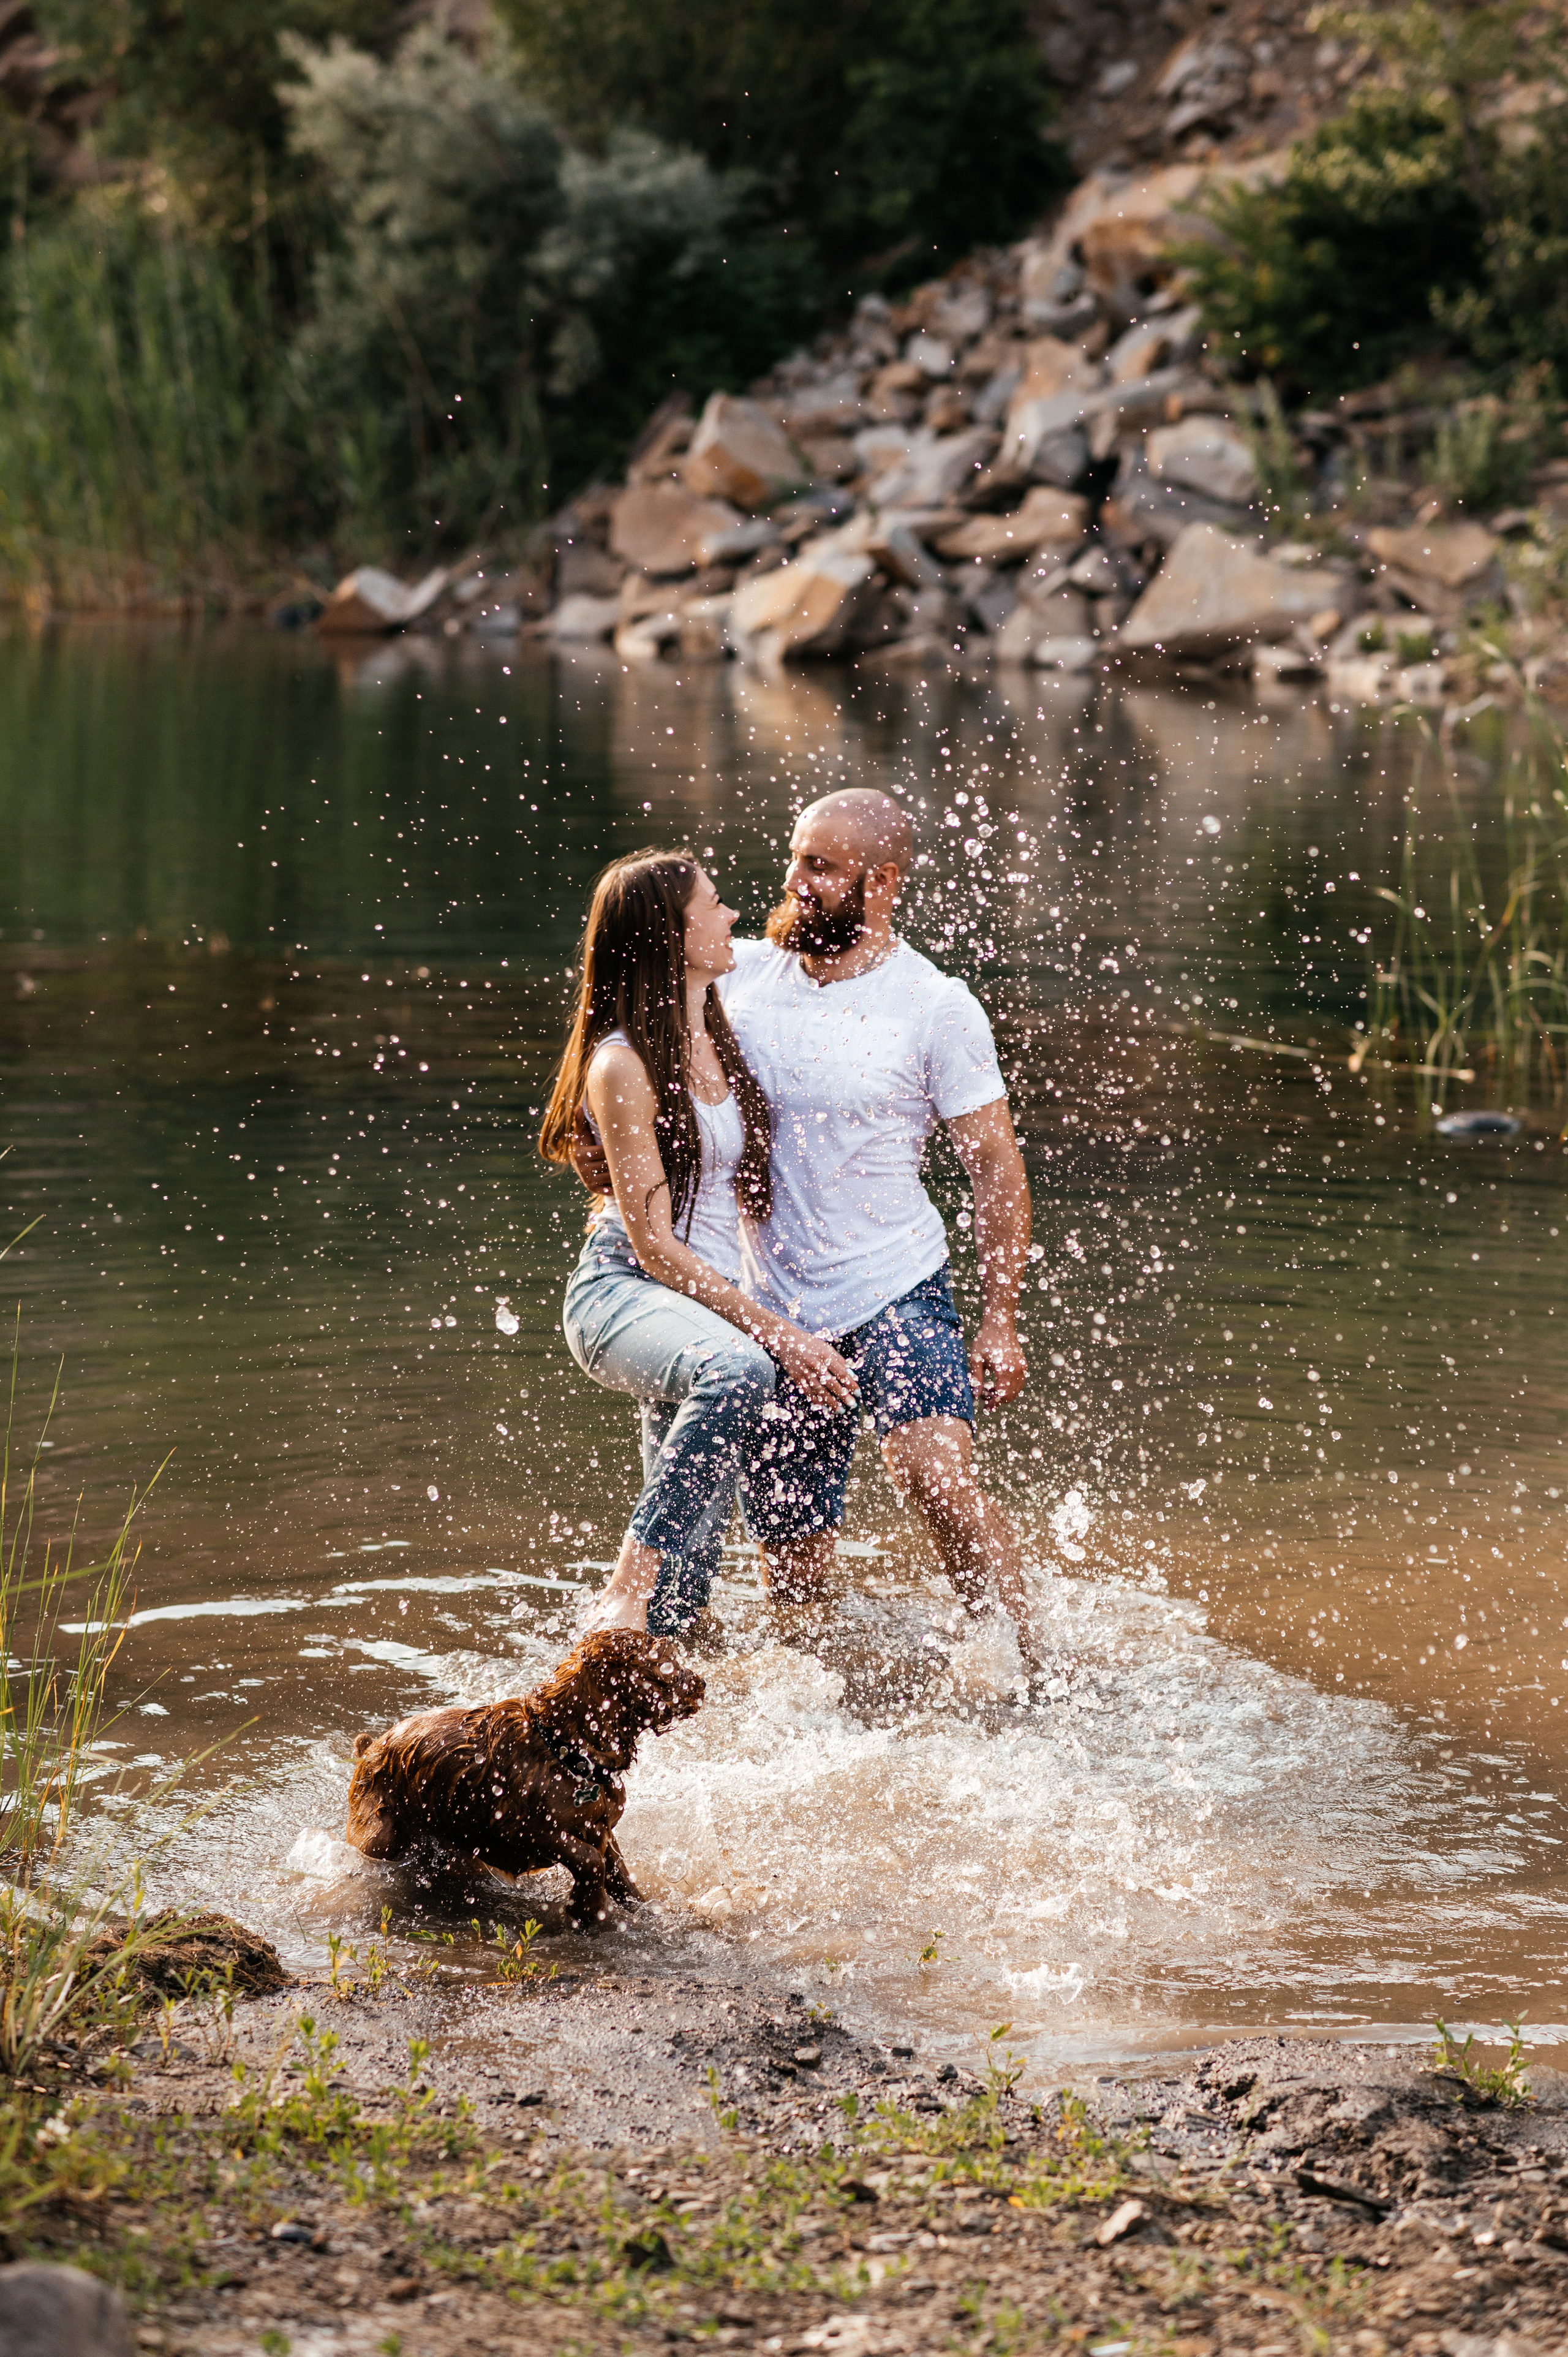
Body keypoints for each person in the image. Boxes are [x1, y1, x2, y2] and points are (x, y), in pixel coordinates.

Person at [578, 793, 1045, 1685]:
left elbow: (995, 1167)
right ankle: (821, 1711)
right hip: (768, 1307)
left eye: (823, 867)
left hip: (894, 1283)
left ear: (884, 883)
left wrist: (1000, 1318)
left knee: (933, 1479)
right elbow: (637, 1010)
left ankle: (1030, 1665)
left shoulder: (936, 1006)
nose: (795, 883)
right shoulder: (740, 974)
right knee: (794, 1570)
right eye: (796, 858)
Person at [538, 850, 859, 1635]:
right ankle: (623, 1587)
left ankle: (659, 1659)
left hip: (702, 1305)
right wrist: (784, 1336)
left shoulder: (717, 1026)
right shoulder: (621, 1063)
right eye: (713, 907)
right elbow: (651, 1245)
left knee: (683, 1605)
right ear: (669, 935)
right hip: (627, 1292)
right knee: (739, 1368)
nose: (732, 919)